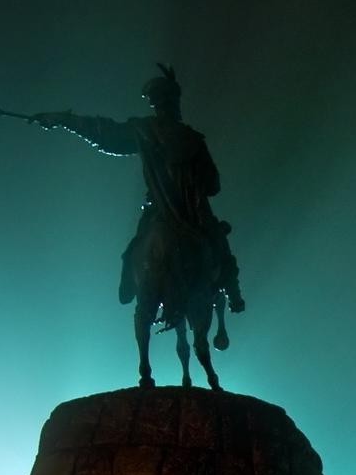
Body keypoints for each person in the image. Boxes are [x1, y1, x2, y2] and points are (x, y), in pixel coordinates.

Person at [28, 65, 246, 320]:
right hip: (194, 213)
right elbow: (213, 185)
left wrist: (62, 120)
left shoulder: (144, 130)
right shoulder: (194, 139)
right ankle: (233, 294)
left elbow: (103, 132)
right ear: (175, 103)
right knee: (220, 247)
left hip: (159, 210)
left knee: (134, 249)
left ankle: (130, 287)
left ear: (155, 104)